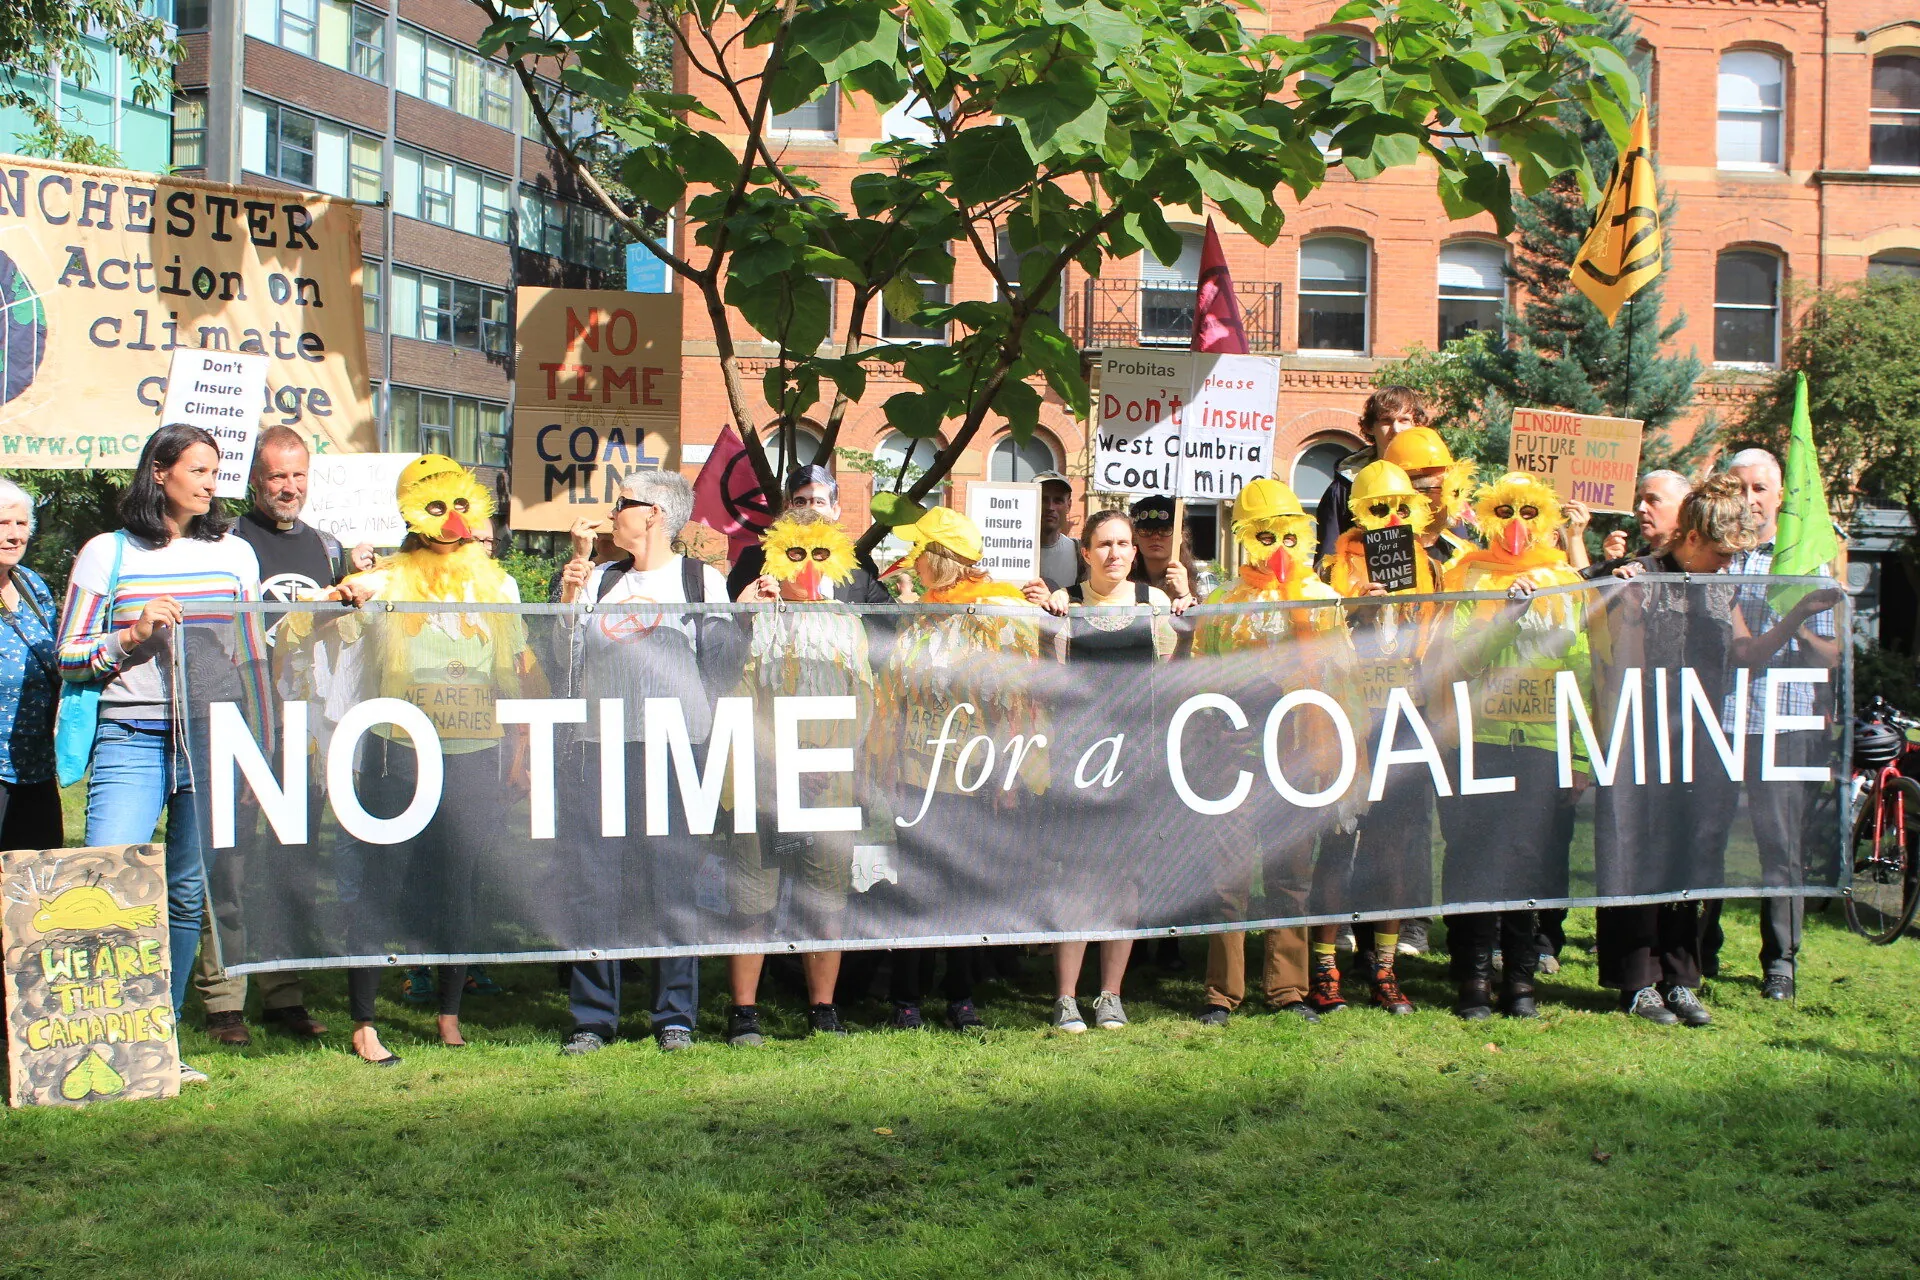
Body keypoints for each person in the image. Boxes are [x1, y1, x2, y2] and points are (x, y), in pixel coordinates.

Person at [58, 424, 267, 1088]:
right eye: (199, 469)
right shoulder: (105, 553)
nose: (212, 482)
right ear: (159, 473)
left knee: (183, 897)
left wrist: (255, 750)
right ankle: (94, 1038)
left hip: (210, 743)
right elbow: (68, 654)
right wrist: (130, 636)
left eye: (217, 470)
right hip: (131, 740)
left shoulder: (235, 555)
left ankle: (158, 1043)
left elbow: (254, 660)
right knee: (109, 886)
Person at [322, 455, 534, 1063]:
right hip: (397, 755)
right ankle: (364, 1022)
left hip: (473, 754)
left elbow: (513, 674)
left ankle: (449, 1013)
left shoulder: (500, 584)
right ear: (413, 513)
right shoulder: (385, 580)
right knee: (381, 883)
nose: (450, 520)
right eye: (435, 507)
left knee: (460, 883)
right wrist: (342, 597)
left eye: (460, 505)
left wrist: (519, 749)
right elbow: (321, 633)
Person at [551, 469, 745, 1054]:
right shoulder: (599, 579)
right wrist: (565, 599)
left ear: (655, 514)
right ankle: (592, 1018)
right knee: (593, 881)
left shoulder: (700, 579)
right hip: (601, 746)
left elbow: (724, 671)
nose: (614, 513)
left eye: (623, 504)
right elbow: (563, 661)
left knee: (674, 880)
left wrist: (740, 615)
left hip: (678, 748)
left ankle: (674, 1016)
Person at [865, 506, 1045, 1031]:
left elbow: (1019, 701)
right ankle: (907, 996)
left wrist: (1007, 774)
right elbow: (892, 697)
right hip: (915, 778)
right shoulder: (920, 615)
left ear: (940, 560)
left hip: (974, 777)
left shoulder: (993, 617)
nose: (909, 562)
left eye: (919, 553)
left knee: (965, 885)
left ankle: (961, 995)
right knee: (914, 884)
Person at [1592, 475, 1760, 1027]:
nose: (1728, 562)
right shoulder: (1641, 576)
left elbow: (1745, 650)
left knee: (1692, 854)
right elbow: (1620, 661)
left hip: (1700, 741)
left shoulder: (1721, 584)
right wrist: (1631, 607)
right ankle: (1637, 981)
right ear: (1691, 537)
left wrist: (1802, 615)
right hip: (1642, 739)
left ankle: (1682, 978)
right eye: (1721, 551)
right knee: (1636, 852)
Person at [194, 426, 339, 1048]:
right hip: (238, 721)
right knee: (228, 861)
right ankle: (224, 998)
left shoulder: (325, 547)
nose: (290, 487)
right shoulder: (224, 542)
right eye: (278, 475)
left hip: (304, 730)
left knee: (294, 866)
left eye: (299, 474)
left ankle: (285, 992)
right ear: (253, 479)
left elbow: (333, 644)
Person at [1192, 478, 1352, 1026]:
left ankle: (1288, 989)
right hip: (1235, 763)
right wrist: (1215, 733)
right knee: (1228, 879)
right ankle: (1222, 992)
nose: (1277, 546)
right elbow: (1200, 681)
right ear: (1244, 537)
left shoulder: (1321, 600)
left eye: (1287, 534)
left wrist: (1330, 759)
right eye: (1265, 534)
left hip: (1297, 759)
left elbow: (1341, 684)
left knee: (1290, 878)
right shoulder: (1222, 604)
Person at [1439, 473, 1592, 1020]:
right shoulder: (1468, 573)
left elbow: (1582, 669)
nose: (1517, 523)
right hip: (1479, 737)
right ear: (1487, 514)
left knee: (1530, 858)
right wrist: (1505, 618)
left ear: (1546, 518)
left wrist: (1578, 757)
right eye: (1505, 511)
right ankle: (1474, 977)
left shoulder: (1564, 578)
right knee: (1475, 855)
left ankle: (1521, 978)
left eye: (1530, 512)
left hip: (1542, 744)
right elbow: (1457, 659)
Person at [1698, 448, 1842, 999]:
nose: (1751, 500)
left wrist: (1799, 619)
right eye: (1741, 488)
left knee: (1779, 847)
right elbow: (1742, 653)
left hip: (1782, 724)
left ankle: (1780, 962)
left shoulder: (1806, 565)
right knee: (1705, 838)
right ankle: (1698, 949)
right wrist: (1795, 617)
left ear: (1782, 496)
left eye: (1761, 489)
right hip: (1719, 720)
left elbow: (1829, 657)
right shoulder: (1718, 560)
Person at [725, 509, 872, 1042]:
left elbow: (865, 703)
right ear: (773, 558)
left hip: (828, 781)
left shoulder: (848, 624)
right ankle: (744, 1011)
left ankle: (823, 1009)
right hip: (758, 780)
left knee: (825, 900)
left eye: (818, 553)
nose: (807, 565)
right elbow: (734, 695)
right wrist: (779, 762)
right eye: (794, 553)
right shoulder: (755, 622)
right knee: (751, 899)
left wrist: (822, 759)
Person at [1043, 510, 1179, 1031]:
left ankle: (1109, 996)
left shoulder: (1154, 604)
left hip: (1136, 759)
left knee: (1125, 881)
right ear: (1086, 551)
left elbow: (1174, 668)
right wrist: (1050, 612)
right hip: (1078, 758)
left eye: (1124, 544)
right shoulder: (1067, 604)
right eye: (1104, 544)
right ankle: (1064, 997)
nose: (1116, 553)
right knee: (1076, 878)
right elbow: (1050, 677)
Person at [1320, 460, 1441, 1014]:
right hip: (1346, 717)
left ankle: (1384, 968)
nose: (1389, 519)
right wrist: (1352, 607)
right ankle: (1325, 968)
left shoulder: (1430, 567)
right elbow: (1316, 640)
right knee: (1337, 844)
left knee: (1393, 849)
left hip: (1404, 714)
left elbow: (1442, 640)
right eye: (1377, 508)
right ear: (1357, 512)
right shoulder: (1331, 566)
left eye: (1399, 507)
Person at [725, 465, 893, 604]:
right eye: (800, 502)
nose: (809, 509)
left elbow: (888, 627)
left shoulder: (859, 565)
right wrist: (744, 615)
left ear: (834, 511)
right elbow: (728, 631)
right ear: (787, 508)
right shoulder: (754, 559)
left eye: (819, 502)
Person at [0, 477, 62, 849]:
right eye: (2, 523)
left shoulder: (31, 585)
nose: (13, 535)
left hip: (35, 766)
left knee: (38, 887)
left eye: (21, 524)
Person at [1314, 386, 1428, 561]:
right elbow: (1328, 557)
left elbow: (1456, 546)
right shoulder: (1345, 486)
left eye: (1404, 420)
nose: (1396, 429)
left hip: (1428, 583)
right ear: (1369, 427)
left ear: (1417, 425)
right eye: (1386, 421)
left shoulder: (1434, 478)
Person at [1591, 469, 1690, 577]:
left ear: (1683, 507)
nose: (1641, 508)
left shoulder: (1698, 564)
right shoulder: (1634, 562)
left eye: (1652, 500)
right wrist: (1612, 566)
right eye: (1639, 501)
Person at [1032, 471, 1084, 591]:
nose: (1050, 507)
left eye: (1058, 500)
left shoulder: (1080, 553)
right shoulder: (1011, 550)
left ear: (1069, 506)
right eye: (1043, 499)